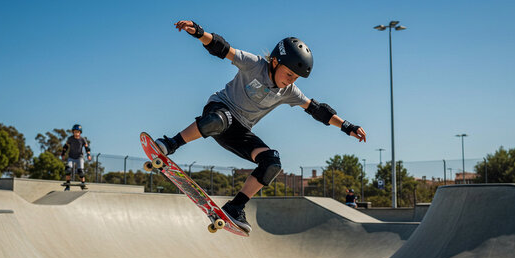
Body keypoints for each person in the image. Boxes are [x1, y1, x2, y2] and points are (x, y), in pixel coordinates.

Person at [156, 20, 367, 232]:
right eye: (289, 74)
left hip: (239, 131)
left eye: (295, 78)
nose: (291, 81)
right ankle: (170, 144)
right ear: (274, 62)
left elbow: (317, 109)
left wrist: (347, 126)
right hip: (220, 109)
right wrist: (199, 32)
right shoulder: (254, 64)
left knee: (272, 162)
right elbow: (222, 48)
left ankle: (235, 207)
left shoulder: (290, 91)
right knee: (218, 120)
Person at [61, 124, 92, 190]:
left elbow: (87, 148)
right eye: (75, 132)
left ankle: (83, 184)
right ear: (73, 132)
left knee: (80, 171)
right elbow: (65, 147)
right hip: (71, 157)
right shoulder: (70, 139)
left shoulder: (83, 139)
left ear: (80, 132)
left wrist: (88, 155)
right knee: (68, 170)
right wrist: (63, 154)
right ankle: (68, 185)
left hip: (79, 157)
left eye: (77, 132)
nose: (76, 133)